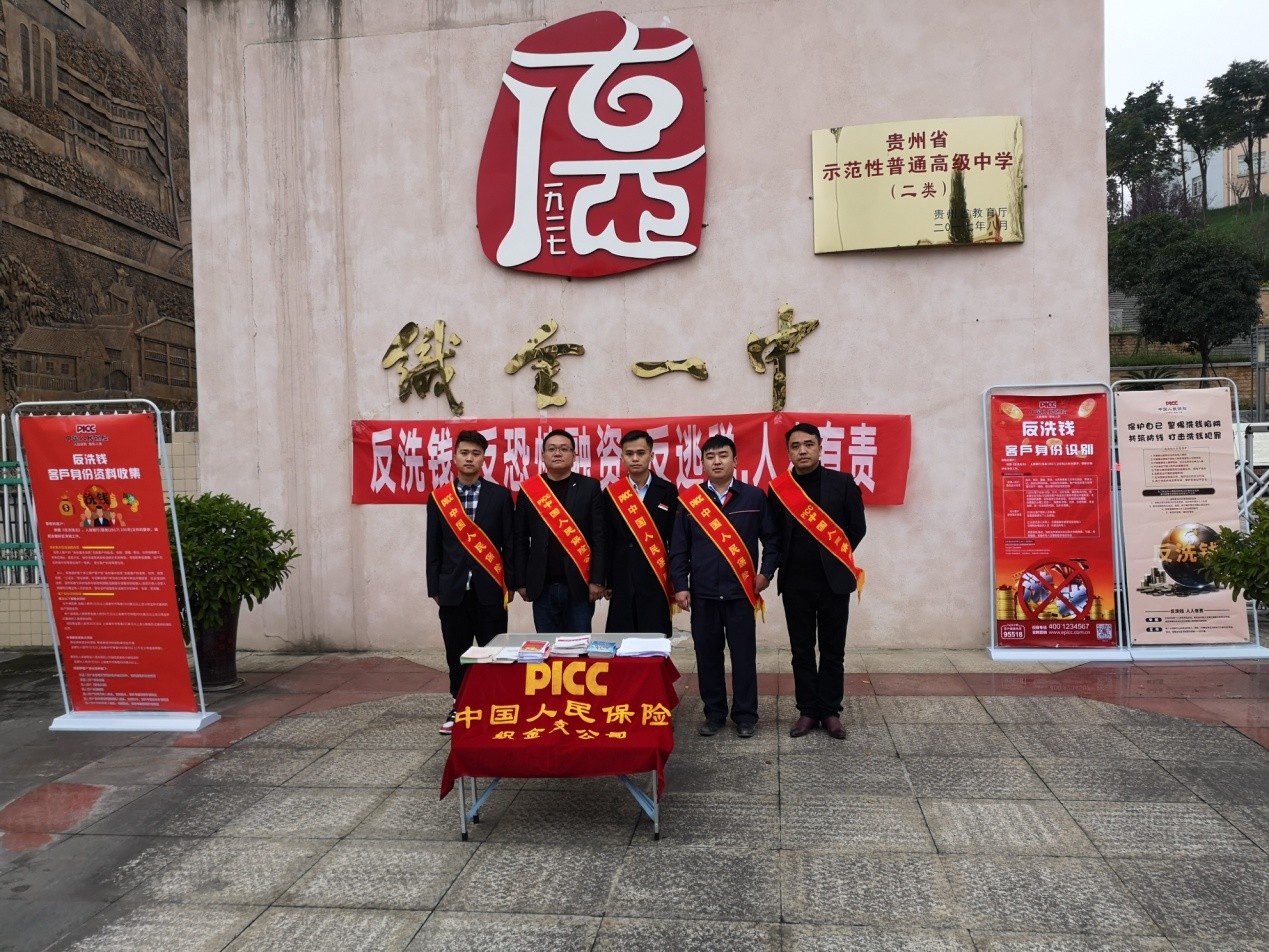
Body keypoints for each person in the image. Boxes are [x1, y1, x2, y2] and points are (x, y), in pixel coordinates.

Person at [670, 434, 778, 738]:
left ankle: (745, 715)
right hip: (703, 594)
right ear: (703, 463)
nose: (717, 462)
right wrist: (680, 585)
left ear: (735, 460)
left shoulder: (754, 497)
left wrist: (766, 573)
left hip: (740, 593)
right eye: (710, 457)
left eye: (723, 455)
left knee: (743, 656)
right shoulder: (690, 501)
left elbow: (772, 540)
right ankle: (714, 713)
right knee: (707, 657)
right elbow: (679, 548)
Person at [768, 423, 866, 740]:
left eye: (809, 444)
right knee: (801, 651)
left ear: (821, 447)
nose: (803, 451)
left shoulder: (842, 483)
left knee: (833, 650)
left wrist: (836, 556)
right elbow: (774, 535)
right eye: (795, 446)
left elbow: (857, 527)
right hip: (795, 583)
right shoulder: (779, 489)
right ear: (788, 452)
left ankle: (831, 712)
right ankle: (808, 711)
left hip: (834, 583)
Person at [427, 430, 514, 735]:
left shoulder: (500, 496)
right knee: (457, 653)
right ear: (454, 457)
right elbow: (433, 547)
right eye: (464, 453)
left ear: (483, 458)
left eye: (476, 454)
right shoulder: (440, 498)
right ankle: (460, 705)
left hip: (490, 589)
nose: (469, 458)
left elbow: (509, 544)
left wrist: (510, 584)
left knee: (494, 651)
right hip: (453, 591)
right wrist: (434, 587)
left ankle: (494, 705)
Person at [515, 429, 606, 633]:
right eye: (552, 449)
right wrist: (521, 581)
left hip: (580, 585)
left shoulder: (589, 487)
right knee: (547, 647)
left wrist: (598, 580)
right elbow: (520, 539)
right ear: (543, 455)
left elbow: (599, 537)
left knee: (579, 647)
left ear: (574, 456)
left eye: (564, 449)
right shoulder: (529, 489)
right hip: (541, 586)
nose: (557, 453)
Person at [602, 429, 679, 635]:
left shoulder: (668, 491)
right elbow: (607, 540)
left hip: (655, 573)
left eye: (641, 453)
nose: (635, 458)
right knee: (622, 638)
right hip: (622, 576)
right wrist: (607, 579)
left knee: (654, 638)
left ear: (651, 455)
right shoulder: (612, 493)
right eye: (629, 454)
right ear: (622, 458)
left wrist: (676, 579)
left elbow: (675, 539)